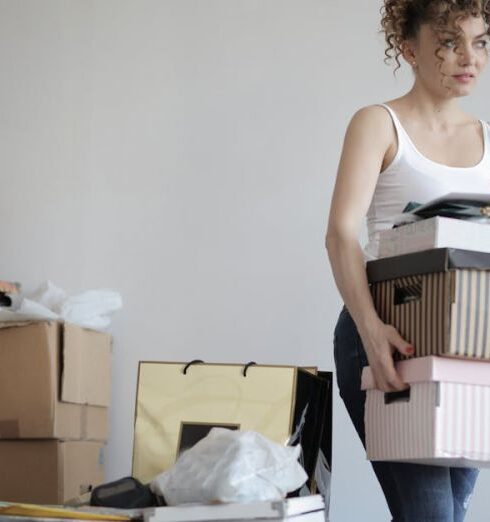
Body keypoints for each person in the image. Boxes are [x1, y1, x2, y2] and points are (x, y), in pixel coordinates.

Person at [325, 1, 490, 520]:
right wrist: (371, 331)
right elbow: (340, 234)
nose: (469, 57)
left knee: (452, 514)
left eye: (480, 41)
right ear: (409, 49)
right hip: (389, 331)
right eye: (449, 42)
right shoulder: (378, 123)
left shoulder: (488, 138)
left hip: (467, 344)